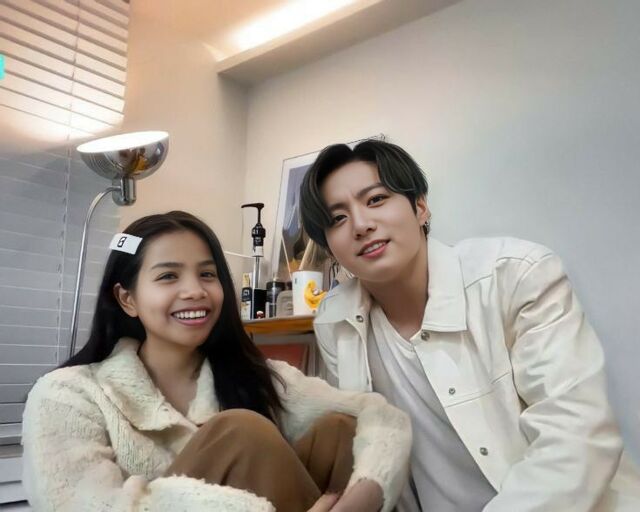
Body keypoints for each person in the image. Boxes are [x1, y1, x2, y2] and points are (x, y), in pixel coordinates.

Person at [299, 139, 640, 512]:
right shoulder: (335, 321)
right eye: (338, 218)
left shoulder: (516, 275)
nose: (361, 225)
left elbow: (576, 438)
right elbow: (370, 447)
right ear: (329, 247)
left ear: (420, 207)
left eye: (376, 199)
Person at [21, 211, 411, 512]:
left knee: (340, 430)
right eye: (168, 276)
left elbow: (381, 418)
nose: (195, 291)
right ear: (128, 299)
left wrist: (368, 493)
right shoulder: (68, 394)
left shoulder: (255, 376)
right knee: (240, 432)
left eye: (208, 274)